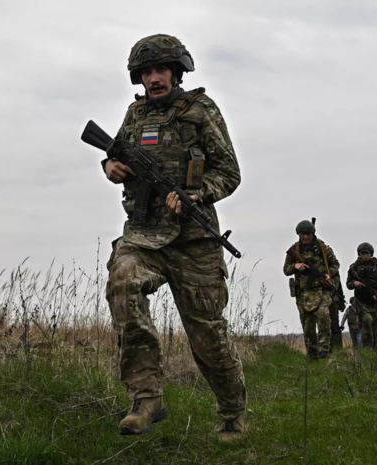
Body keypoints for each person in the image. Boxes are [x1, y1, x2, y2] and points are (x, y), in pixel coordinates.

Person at [102, 34, 246, 442]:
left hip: (194, 240)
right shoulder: (135, 116)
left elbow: (229, 172)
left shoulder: (200, 111)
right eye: (146, 72)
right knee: (123, 282)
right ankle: (146, 397)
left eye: (161, 69)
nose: (154, 78)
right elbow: (117, 153)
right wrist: (110, 166)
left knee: (208, 335)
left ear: (177, 71)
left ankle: (232, 412)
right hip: (144, 237)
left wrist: (200, 194)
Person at [284, 220, 340, 360]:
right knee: (307, 325)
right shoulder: (294, 250)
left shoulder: (322, 248)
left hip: (321, 290)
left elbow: (335, 264)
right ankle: (312, 355)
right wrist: (296, 266)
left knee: (323, 317)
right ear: (299, 234)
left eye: (308, 234)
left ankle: (324, 351)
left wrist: (328, 274)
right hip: (303, 293)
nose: (306, 237)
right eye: (303, 234)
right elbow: (286, 269)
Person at [345, 242, 377, 352]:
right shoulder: (354, 267)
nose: (364, 255)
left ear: (371, 254)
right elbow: (348, 284)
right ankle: (366, 351)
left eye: (367, 253)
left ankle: (374, 354)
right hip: (361, 302)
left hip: (375, 303)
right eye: (362, 253)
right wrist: (354, 283)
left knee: (375, 327)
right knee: (367, 321)